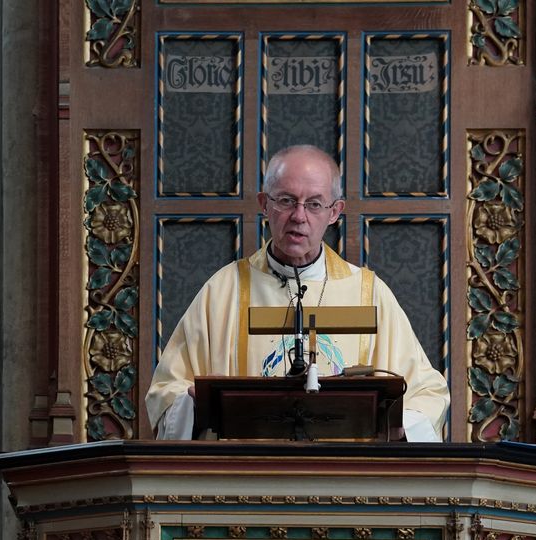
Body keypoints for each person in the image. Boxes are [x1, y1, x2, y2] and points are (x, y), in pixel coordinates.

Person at [146, 144, 449, 441]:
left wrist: (399, 423)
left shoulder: (368, 293)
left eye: (314, 204)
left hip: (345, 481)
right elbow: (167, 391)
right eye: (287, 201)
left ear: (335, 212)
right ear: (264, 204)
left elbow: (428, 392)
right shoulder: (223, 291)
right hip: (247, 479)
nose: (299, 216)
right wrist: (192, 404)